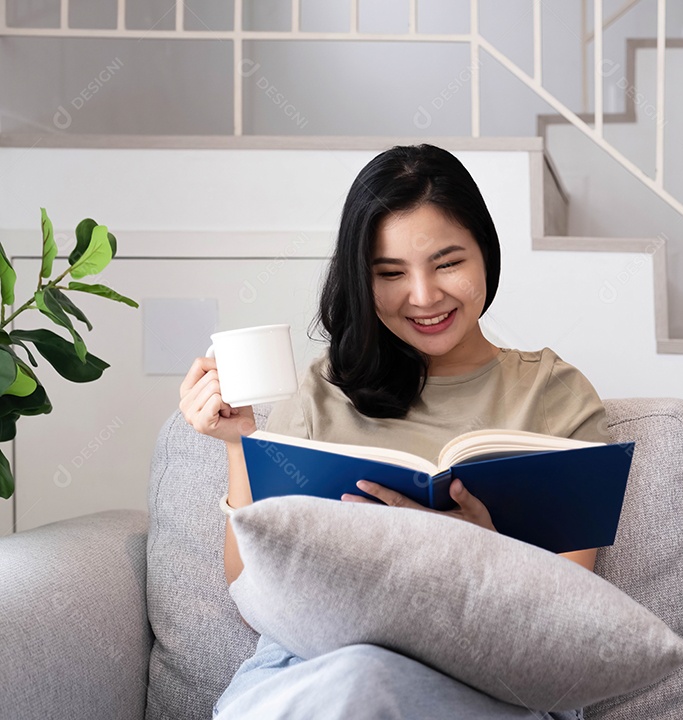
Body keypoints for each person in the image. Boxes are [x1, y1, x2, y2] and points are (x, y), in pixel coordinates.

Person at [178, 144, 611, 719]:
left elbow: (570, 610)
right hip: (312, 667)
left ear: (486, 252)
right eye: (390, 273)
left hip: (488, 674)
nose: (424, 296)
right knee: (352, 682)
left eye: (448, 262)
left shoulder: (555, 396)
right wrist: (240, 445)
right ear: (363, 279)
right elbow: (254, 595)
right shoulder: (322, 389)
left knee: (370, 683)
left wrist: (482, 549)